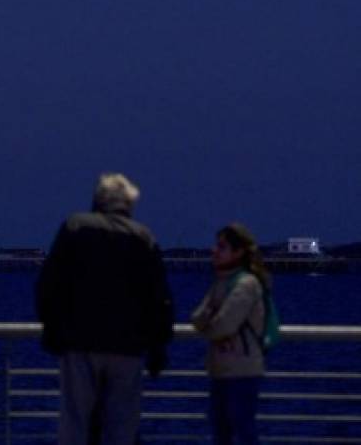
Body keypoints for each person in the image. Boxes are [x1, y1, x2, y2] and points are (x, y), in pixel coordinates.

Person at [35, 173, 174, 445]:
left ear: (97, 200)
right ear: (129, 204)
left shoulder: (75, 227)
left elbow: (49, 284)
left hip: (80, 344)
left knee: (75, 421)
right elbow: (159, 297)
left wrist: (52, 329)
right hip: (128, 348)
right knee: (121, 426)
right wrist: (158, 345)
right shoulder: (143, 237)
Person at [191, 223, 269, 445]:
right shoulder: (222, 282)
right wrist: (210, 321)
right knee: (223, 432)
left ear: (238, 252)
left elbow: (223, 325)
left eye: (222, 247)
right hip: (222, 370)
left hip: (241, 371)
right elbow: (197, 318)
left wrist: (210, 322)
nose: (214, 251)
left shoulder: (246, 284)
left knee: (241, 431)